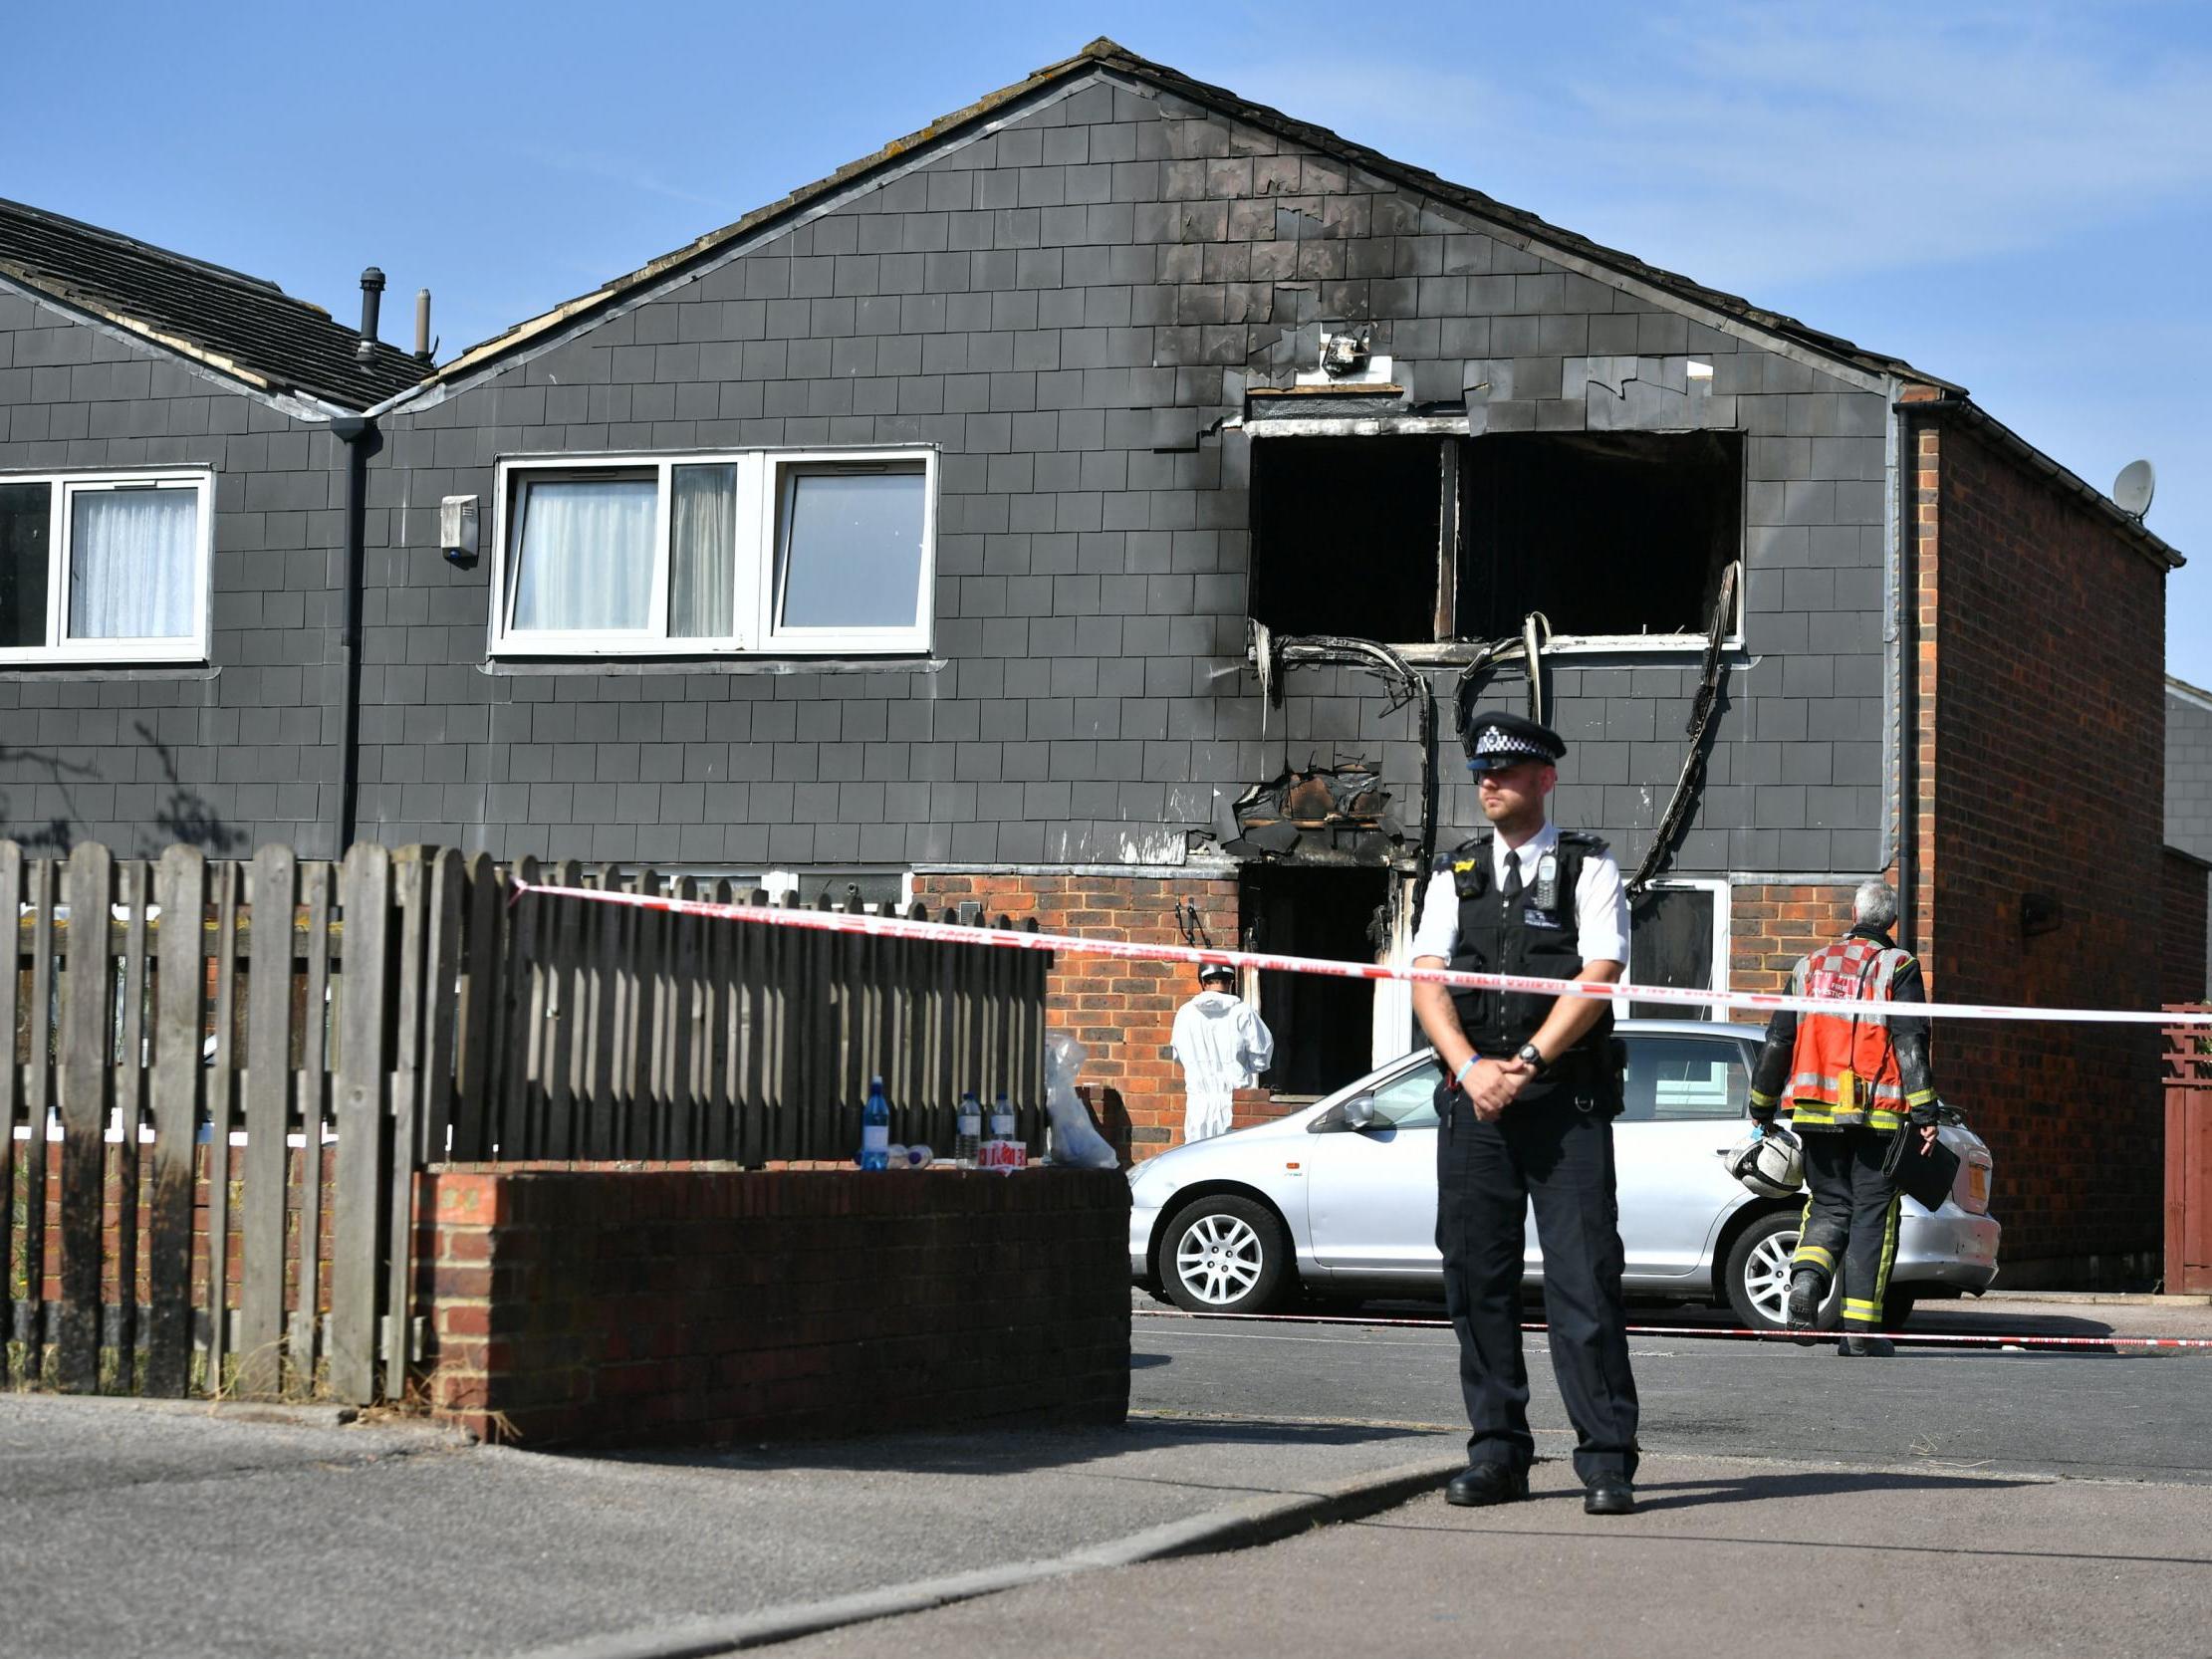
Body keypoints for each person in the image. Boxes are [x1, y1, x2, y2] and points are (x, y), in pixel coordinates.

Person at [1409, 709, 1639, 1517]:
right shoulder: (1454, 872)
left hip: (1562, 1104)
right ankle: (1498, 1453)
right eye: (1481, 772)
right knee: (1477, 1281)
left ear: (1544, 778)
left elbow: (1599, 971)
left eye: (1504, 773)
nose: (1487, 784)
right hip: (1473, 1102)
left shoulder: (1589, 868)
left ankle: (1607, 1458)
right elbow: (1427, 979)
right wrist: (1470, 1067)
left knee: (1583, 1283)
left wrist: (1529, 1062)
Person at [1747, 880, 1938, 1357]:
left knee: (1829, 1207)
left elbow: (1777, 1042)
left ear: (1853, 912)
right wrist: (1926, 1108)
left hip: (1814, 1114)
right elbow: (1910, 1040)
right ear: (1890, 922)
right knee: (1874, 1215)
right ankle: (1861, 1333)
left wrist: (1761, 1106)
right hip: (1878, 1118)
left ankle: (1808, 1282)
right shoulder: (1899, 965)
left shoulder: (1808, 965)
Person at [1169, 963, 1275, 1144]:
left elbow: (1178, 1056)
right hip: (1235, 1106)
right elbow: (1261, 1060)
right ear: (1231, 982)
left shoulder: (1185, 1013)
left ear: (1202, 981)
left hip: (1198, 1106)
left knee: (1197, 1163)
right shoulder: (1243, 1012)